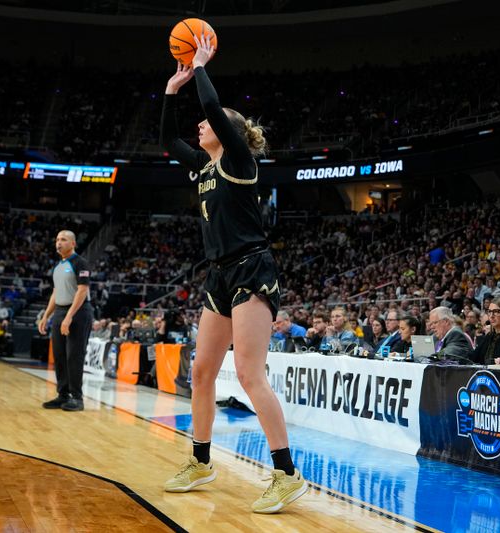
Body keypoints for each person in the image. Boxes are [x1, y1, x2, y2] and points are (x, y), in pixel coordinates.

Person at [158, 36, 306, 514]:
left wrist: (200, 66)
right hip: (219, 275)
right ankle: (200, 461)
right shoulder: (204, 165)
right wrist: (169, 90)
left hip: (252, 269)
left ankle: (286, 473)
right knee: (201, 372)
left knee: (247, 373)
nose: (200, 124)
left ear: (229, 131)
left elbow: (212, 106)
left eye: (209, 122)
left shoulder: (242, 161)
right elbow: (166, 140)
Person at [38, 230, 94, 412]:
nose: (59, 243)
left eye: (63, 240)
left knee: (74, 356)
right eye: (57, 240)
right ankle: (63, 394)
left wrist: (69, 317)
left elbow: (82, 291)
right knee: (60, 355)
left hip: (78, 312)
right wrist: (46, 315)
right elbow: (56, 292)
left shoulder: (80, 263)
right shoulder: (58, 266)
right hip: (60, 312)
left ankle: (77, 398)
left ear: (73, 244)